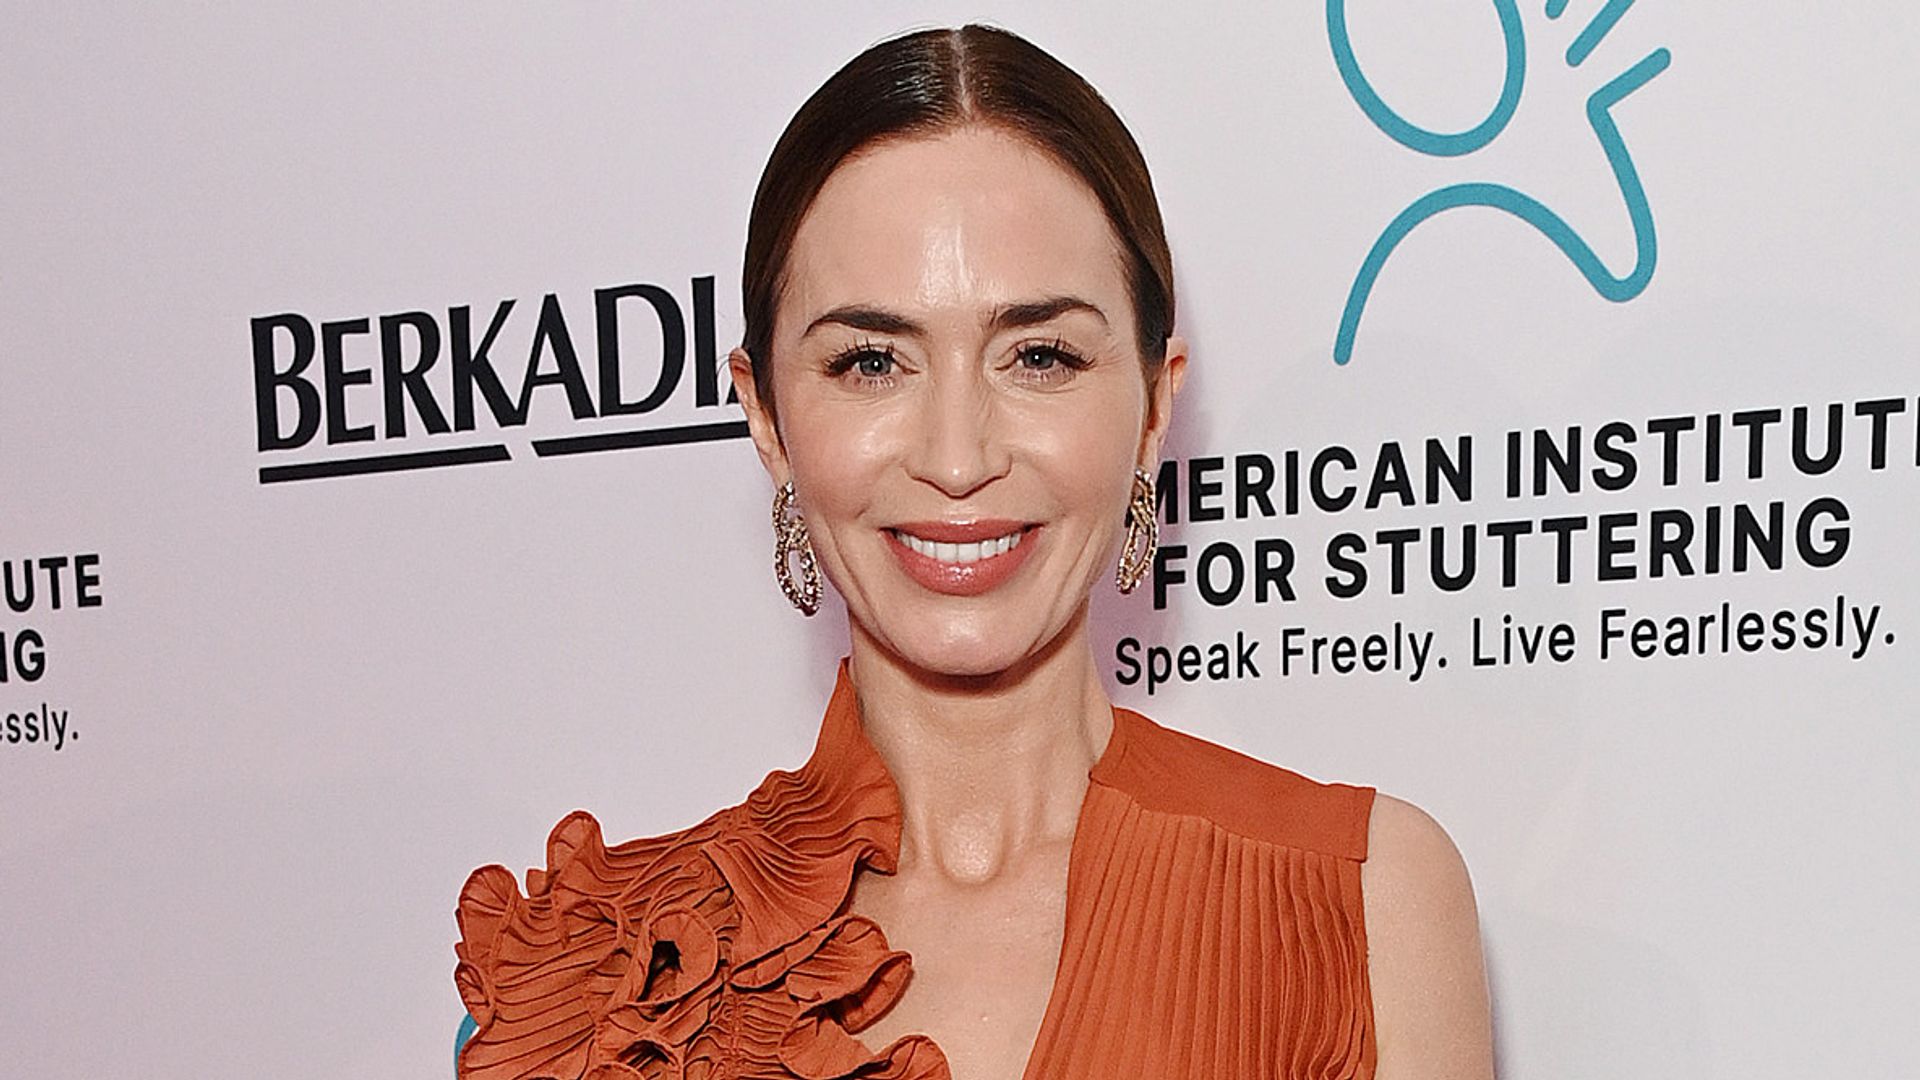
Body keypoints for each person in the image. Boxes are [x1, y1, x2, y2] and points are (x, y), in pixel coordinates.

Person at [453, 23, 1493, 1080]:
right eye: (870, 362)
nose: (958, 459)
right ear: (766, 418)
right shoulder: (606, 982)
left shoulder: (1361, 901)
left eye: (1039, 357)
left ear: (1153, 407)